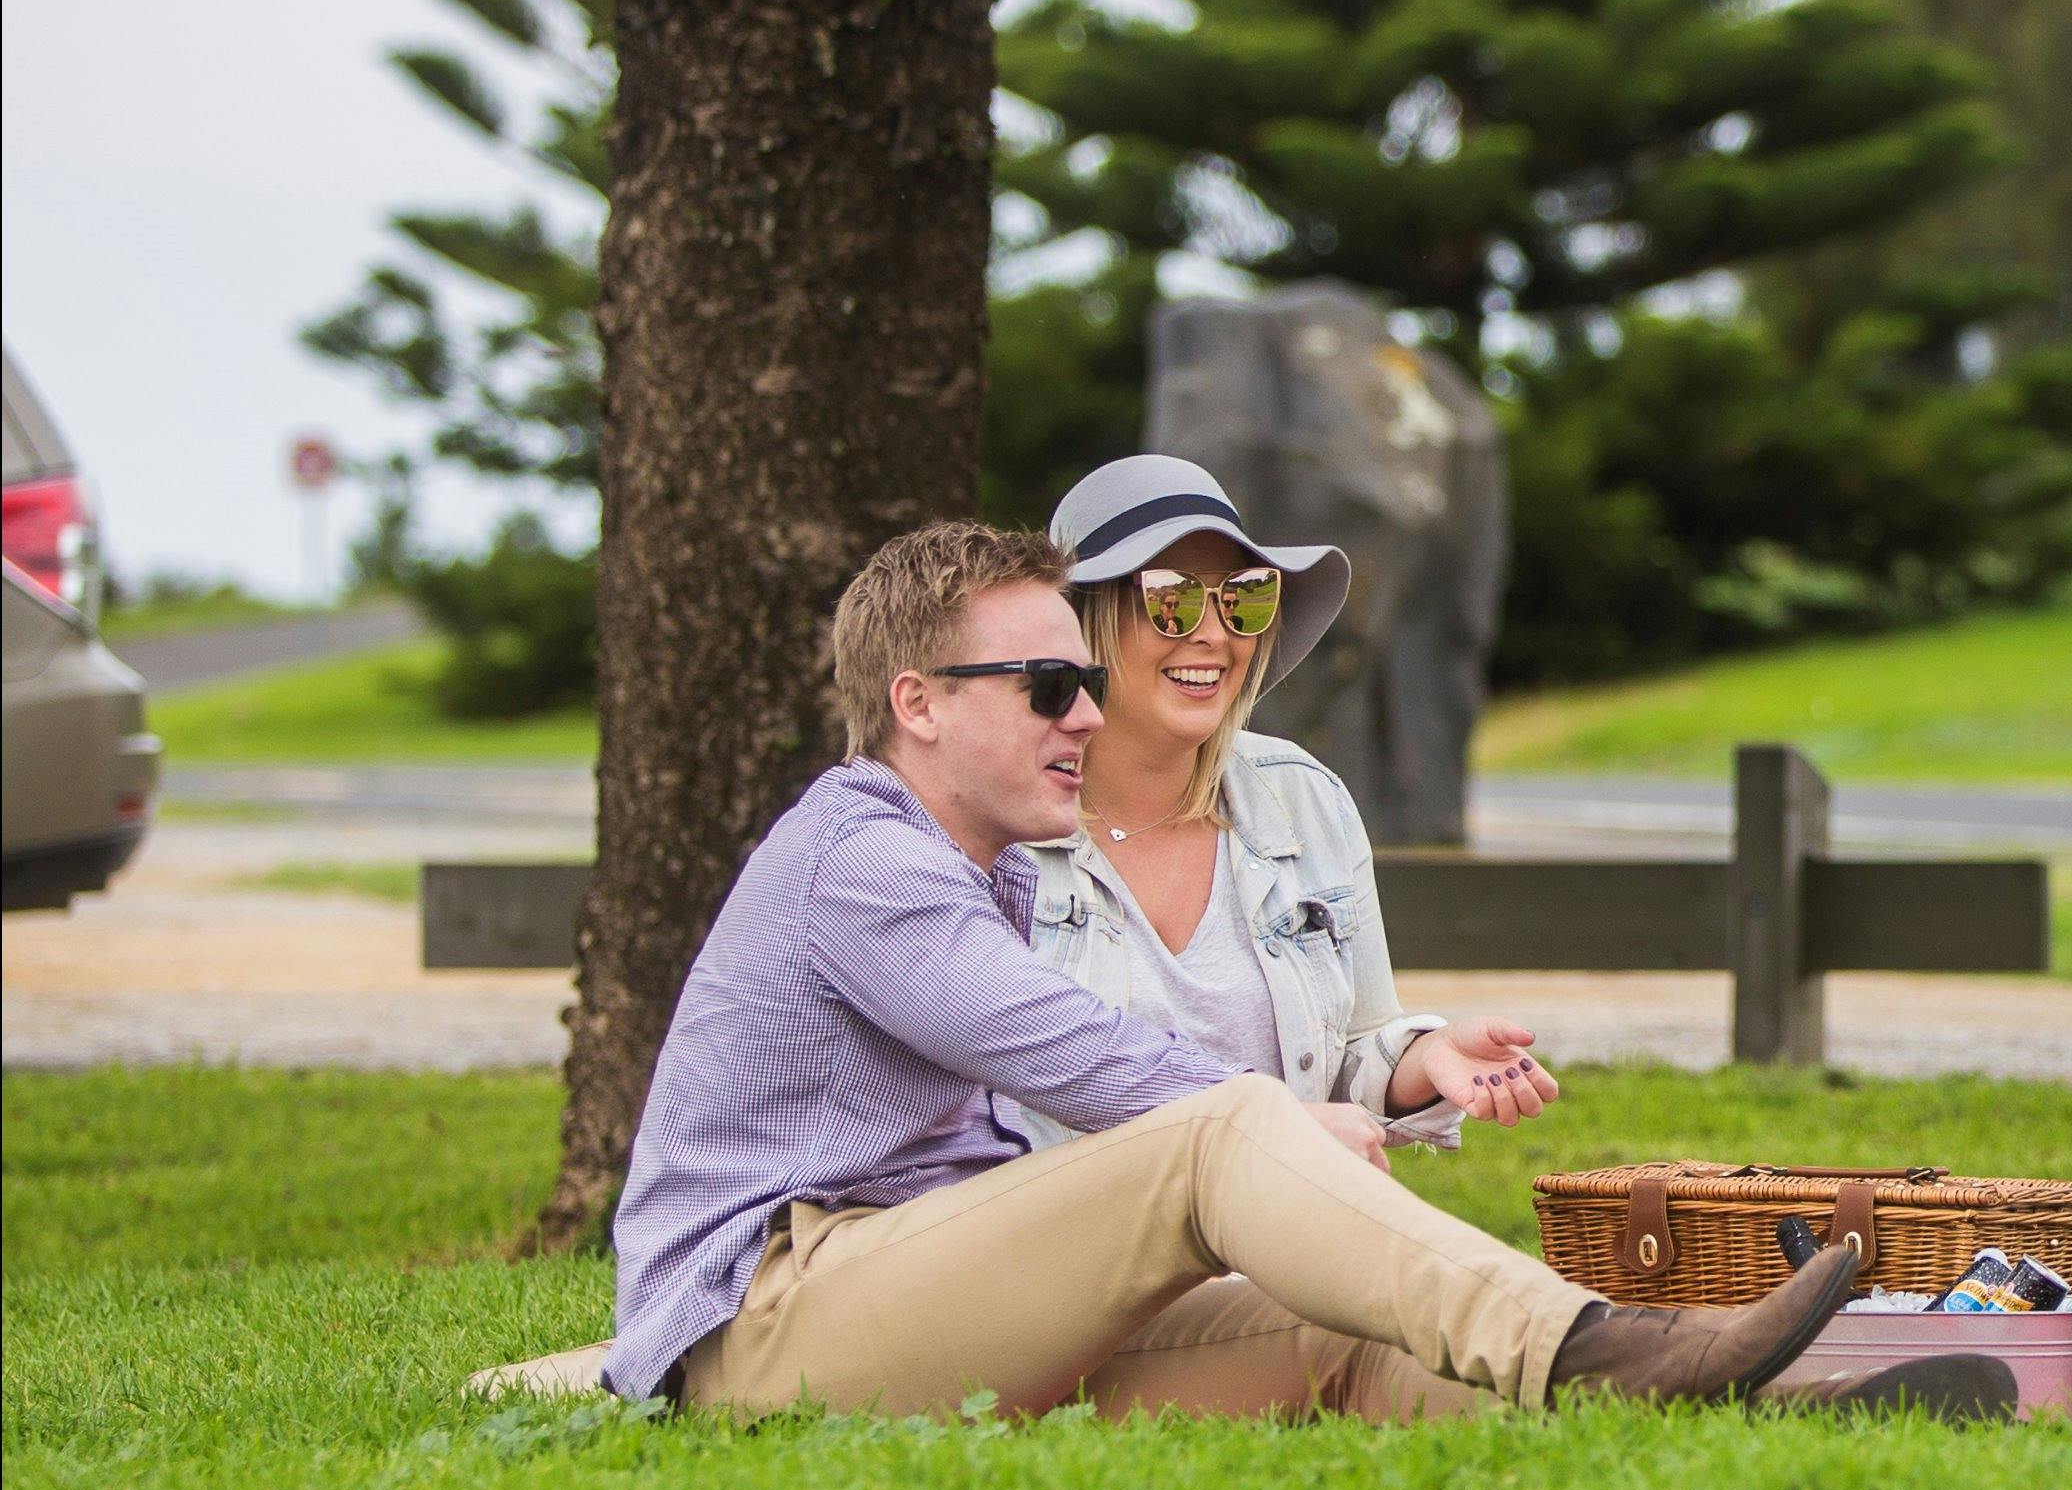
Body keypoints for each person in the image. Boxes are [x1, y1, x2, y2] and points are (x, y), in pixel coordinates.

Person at [600, 518, 1999, 1422]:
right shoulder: (864, 858)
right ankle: (1607, 1345)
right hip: (775, 1325)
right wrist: (1275, 1123)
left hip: (922, 1295)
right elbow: (1073, 1056)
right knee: (1214, 1129)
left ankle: (1725, 1411)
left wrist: (1351, 1099)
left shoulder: (1002, 860)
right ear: (915, 706)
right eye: (1046, 684)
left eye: (1080, 680)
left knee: (1351, 1318)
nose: (1084, 711)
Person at [1006, 453, 1554, 1157]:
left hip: (1279, 1236)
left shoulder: (1302, 797)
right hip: (1078, 1249)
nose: (1215, 631)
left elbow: (1352, 1051)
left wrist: (1429, 1061)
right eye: (1170, 598)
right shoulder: (1000, 827)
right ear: (1080, 628)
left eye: (1244, 596)